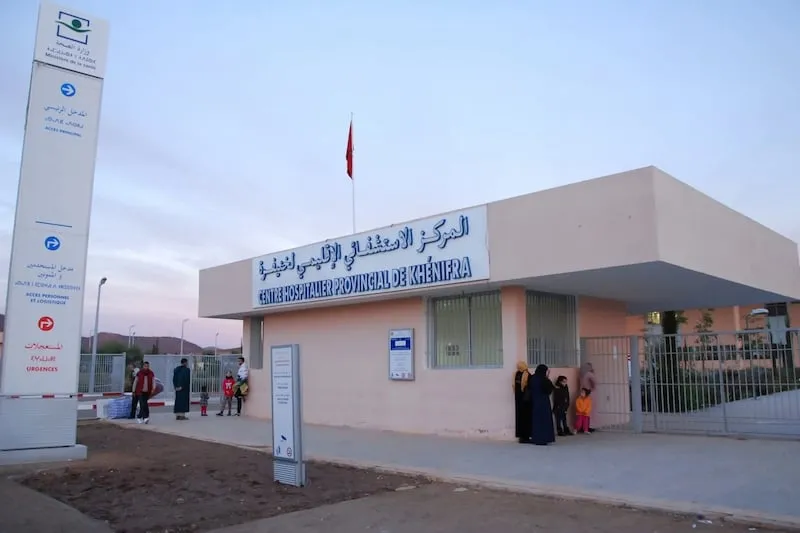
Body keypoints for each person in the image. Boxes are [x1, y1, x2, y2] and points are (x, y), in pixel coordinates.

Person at [528, 364, 556, 446]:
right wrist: (547, 377)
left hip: (535, 401)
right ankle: (544, 438)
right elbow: (549, 389)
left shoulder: (532, 378)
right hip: (543, 402)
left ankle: (536, 438)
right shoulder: (543, 379)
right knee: (544, 420)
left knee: (536, 420)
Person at [512, 361, 532, 443]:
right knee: (525, 418)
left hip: (519, 399)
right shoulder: (526, 374)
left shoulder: (516, 374)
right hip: (524, 399)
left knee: (521, 417)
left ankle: (522, 437)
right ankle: (525, 436)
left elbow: (514, 385)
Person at [579, 362, 597, 432]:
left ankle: (582, 426)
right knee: (589, 411)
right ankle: (589, 426)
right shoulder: (589, 374)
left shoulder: (581, 375)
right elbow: (595, 382)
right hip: (589, 393)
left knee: (582, 410)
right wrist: (592, 389)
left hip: (582, 393)